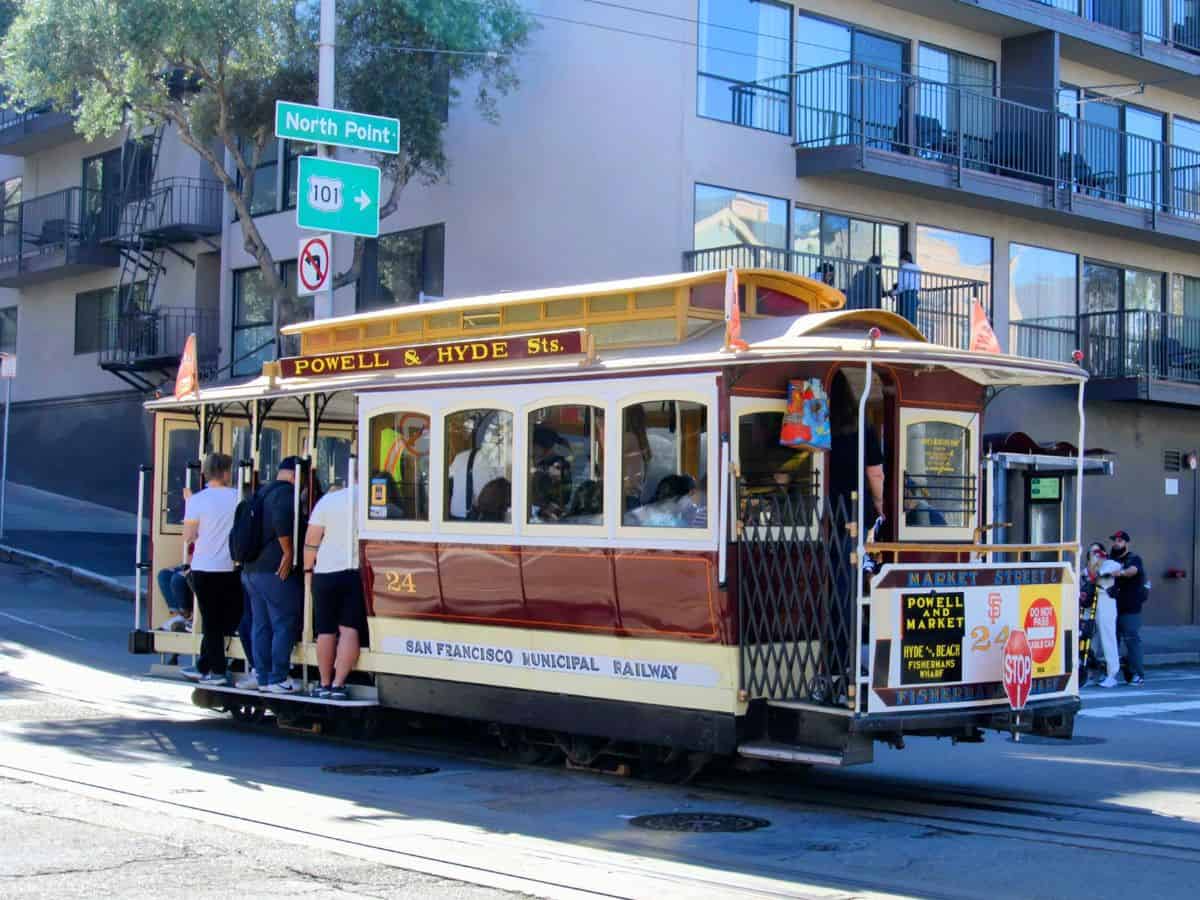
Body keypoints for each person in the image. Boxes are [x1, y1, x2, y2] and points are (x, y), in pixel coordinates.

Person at [242, 457, 306, 693]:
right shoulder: (286, 494)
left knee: (261, 624)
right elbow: (281, 519)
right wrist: (288, 552)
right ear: (295, 474)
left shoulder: (260, 493)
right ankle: (278, 676)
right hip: (274, 571)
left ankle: (262, 674)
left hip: (251, 571)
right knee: (283, 622)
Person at [178, 453, 241, 686]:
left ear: (205, 473)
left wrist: (188, 504)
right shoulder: (238, 498)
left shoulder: (198, 500)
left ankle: (216, 670)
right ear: (226, 473)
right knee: (224, 618)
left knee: (211, 621)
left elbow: (189, 536)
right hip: (229, 566)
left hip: (204, 567)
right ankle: (204, 665)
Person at [303, 485, 368, 701]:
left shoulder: (328, 501)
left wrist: (307, 570)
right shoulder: (370, 498)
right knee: (350, 629)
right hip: (354, 572)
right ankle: (339, 684)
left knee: (325, 630)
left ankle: (324, 683)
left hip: (325, 572)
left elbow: (312, 540)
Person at [1109, 529, 1147, 685]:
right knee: (1112, 640)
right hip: (1112, 606)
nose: (1116, 544)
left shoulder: (1133, 558)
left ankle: (1139, 674)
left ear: (1126, 543)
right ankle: (1112, 673)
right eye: (1115, 541)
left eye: (1120, 541)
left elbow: (1133, 571)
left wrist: (1120, 573)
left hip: (1130, 607)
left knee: (1131, 639)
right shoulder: (1111, 559)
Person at [1087, 543, 1123, 688]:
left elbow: (1112, 569)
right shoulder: (1088, 566)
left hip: (1105, 599)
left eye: (1097, 551)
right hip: (1090, 601)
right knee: (1089, 638)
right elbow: (1087, 576)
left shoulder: (1110, 563)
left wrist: (1099, 563)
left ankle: (1112, 673)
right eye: (1092, 552)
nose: (1095, 554)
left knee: (1107, 636)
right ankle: (1089, 672)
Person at [156, 564, 193, 632]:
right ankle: (182, 616)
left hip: (208, 568)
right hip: (193, 564)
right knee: (164, 575)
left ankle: (188, 617)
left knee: (177, 579)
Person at [890, 251, 921, 326]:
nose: (900, 263)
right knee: (912, 320)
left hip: (906, 296)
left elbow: (902, 286)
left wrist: (893, 292)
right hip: (914, 295)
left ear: (903, 259)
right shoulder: (917, 268)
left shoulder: (903, 268)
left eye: (900, 261)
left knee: (904, 320)